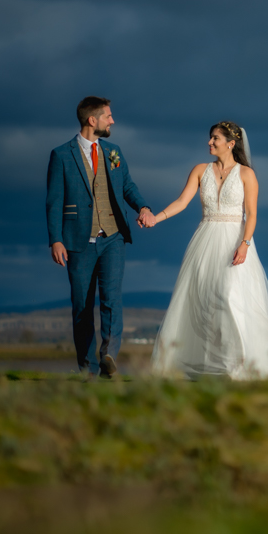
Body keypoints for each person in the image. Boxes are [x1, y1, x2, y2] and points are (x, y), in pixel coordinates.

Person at [146, 121, 268, 379]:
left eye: (215, 138)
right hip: (206, 239)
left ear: (231, 144)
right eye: (210, 138)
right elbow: (182, 201)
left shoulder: (246, 174)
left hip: (236, 240)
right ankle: (209, 363)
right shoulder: (201, 170)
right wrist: (157, 217)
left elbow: (252, 214)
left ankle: (243, 363)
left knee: (232, 297)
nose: (209, 143)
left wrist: (244, 244)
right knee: (204, 300)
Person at [46, 96, 155, 378]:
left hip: (113, 237)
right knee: (82, 305)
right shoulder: (61, 155)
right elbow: (54, 201)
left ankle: (108, 356)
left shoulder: (113, 151)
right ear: (92, 120)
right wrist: (55, 239)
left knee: (112, 299)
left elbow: (128, 186)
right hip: (77, 241)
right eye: (108, 116)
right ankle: (88, 368)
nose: (112, 121)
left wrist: (143, 207)